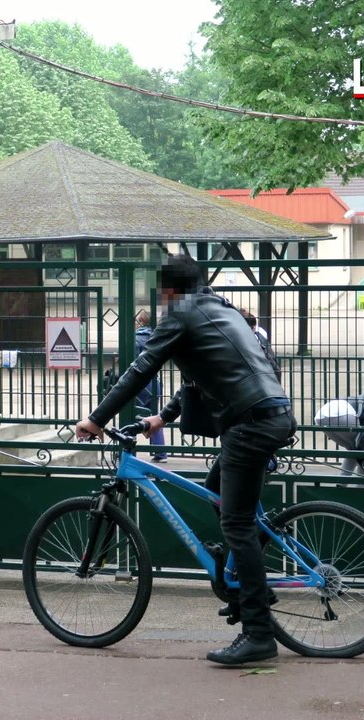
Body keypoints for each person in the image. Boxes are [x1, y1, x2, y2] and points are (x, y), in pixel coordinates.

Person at [75, 254, 295, 666]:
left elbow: (140, 369)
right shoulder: (219, 308)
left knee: (236, 523)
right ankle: (246, 582)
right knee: (216, 491)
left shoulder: (180, 313)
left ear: (168, 289)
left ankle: (259, 633)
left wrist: (96, 418)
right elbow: (202, 378)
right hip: (271, 415)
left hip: (249, 425)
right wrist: (160, 418)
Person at [134, 310, 168, 463]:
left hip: (139, 383)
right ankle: (160, 453)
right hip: (155, 383)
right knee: (154, 417)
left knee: (131, 415)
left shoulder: (136, 339)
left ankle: (127, 450)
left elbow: (134, 362)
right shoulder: (157, 337)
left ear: (140, 322)